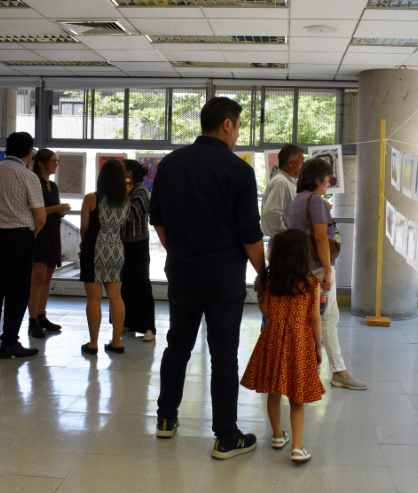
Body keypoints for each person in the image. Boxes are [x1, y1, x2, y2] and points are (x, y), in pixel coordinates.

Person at [150, 96, 266, 460]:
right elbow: (250, 234)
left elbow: (159, 220)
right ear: (227, 125)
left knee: (177, 347)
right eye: (238, 127)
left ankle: (166, 419)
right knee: (223, 356)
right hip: (223, 280)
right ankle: (225, 437)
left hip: (183, 274)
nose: (237, 136)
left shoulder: (170, 164)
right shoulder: (239, 171)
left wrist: (180, 253)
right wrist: (264, 273)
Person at [241, 229, 324, 463]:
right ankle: (297, 447)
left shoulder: (269, 283)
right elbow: (315, 319)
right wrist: (318, 347)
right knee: (297, 398)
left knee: (273, 391)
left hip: (273, 339)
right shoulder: (311, 284)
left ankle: (278, 435)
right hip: (299, 342)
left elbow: (267, 313)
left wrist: (260, 294)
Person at [289, 158, 367, 391]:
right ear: (317, 180)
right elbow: (322, 238)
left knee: (309, 319)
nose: (328, 186)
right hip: (318, 269)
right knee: (329, 318)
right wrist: (328, 272)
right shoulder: (316, 201)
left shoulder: (298, 200)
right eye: (327, 181)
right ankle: (338, 370)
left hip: (301, 266)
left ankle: (298, 367)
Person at [0, 132, 46, 359]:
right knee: (17, 290)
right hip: (19, 236)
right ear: (29, 152)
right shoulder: (28, 176)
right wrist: (34, 233)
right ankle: (9, 342)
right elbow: (40, 215)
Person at [79, 159, 129, 355]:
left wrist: (85, 242)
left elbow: (84, 227)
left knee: (94, 298)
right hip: (116, 250)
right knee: (116, 297)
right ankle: (117, 341)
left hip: (94, 249)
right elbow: (121, 225)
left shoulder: (91, 198)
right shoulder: (125, 201)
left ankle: (93, 343)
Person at [27, 149, 71, 338]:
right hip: (39, 233)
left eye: (56, 160)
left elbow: (52, 209)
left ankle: (41, 315)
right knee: (37, 277)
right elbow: (33, 209)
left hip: (53, 233)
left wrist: (61, 210)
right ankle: (32, 320)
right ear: (41, 163)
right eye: (52, 160)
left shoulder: (52, 185)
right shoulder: (34, 182)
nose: (55, 163)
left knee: (48, 276)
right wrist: (56, 208)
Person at [120, 159, 156, 342]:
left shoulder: (141, 190)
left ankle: (149, 327)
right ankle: (127, 322)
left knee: (141, 283)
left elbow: (128, 215)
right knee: (124, 284)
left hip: (137, 243)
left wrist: (124, 196)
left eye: (122, 170)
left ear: (128, 174)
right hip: (122, 242)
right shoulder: (121, 189)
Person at [261, 144, 304, 241]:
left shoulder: (290, 182)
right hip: (285, 243)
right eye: (301, 161)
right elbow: (272, 214)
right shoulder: (281, 182)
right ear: (291, 162)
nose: (303, 165)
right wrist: (287, 235)